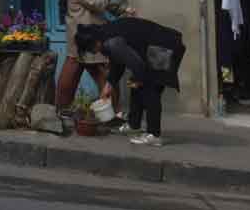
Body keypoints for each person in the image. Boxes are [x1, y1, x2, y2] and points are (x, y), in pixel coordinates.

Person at [76, 17, 185, 146]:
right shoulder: (106, 34)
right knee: (136, 83)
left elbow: (137, 65)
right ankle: (134, 125)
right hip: (157, 46)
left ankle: (154, 135)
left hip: (163, 47)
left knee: (150, 87)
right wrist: (109, 85)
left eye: (90, 50)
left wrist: (138, 79)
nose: (93, 52)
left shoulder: (111, 41)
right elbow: (119, 62)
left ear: (94, 42)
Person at [56, 0, 122, 110]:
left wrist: (123, 9)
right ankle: (62, 110)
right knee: (97, 74)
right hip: (85, 39)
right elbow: (97, 3)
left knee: (99, 73)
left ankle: (110, 112)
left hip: (91, 37)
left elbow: (106, 2)